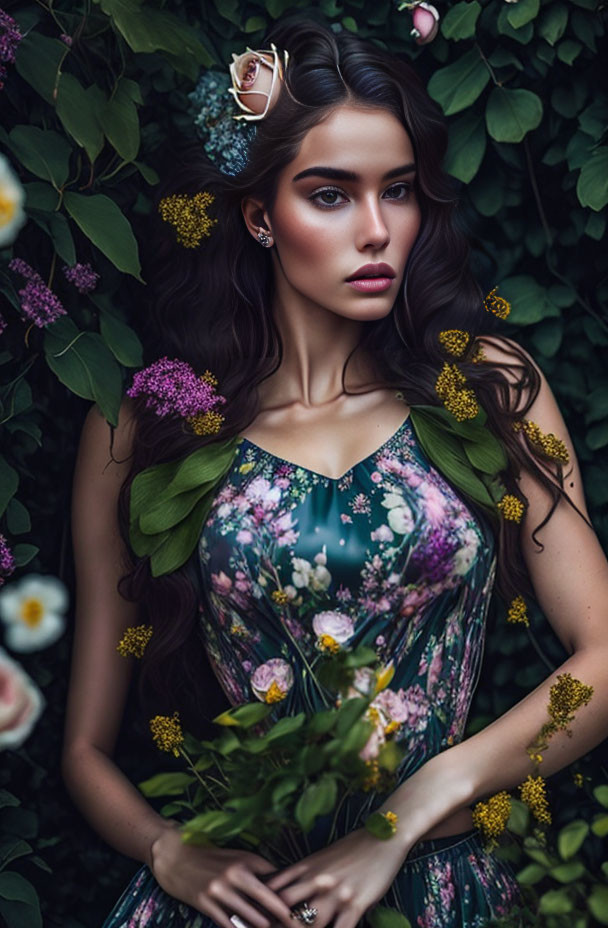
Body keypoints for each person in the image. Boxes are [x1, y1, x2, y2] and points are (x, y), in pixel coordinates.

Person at [62, 17, 608, 928]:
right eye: (329, 194)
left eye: (398, 191)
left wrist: (407, 813)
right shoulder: (140, 430)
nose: (375, 230)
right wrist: (167, 848)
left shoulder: (487, 387)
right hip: (243, 902)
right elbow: (82, 749)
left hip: (436, 887)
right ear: (258, 216)